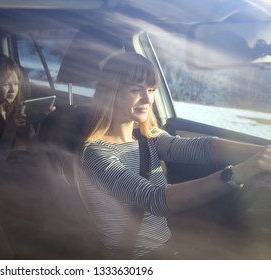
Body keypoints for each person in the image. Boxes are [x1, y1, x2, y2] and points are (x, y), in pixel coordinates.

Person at [80, 52, 271, 259]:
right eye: (136, 90)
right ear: (111, 93)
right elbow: (155, 199)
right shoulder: (97, 154)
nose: (147, 99)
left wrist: (261, 152)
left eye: (151, 90)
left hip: (165, 249)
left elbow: (202, 148)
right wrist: (236, 174)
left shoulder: (147, 138)